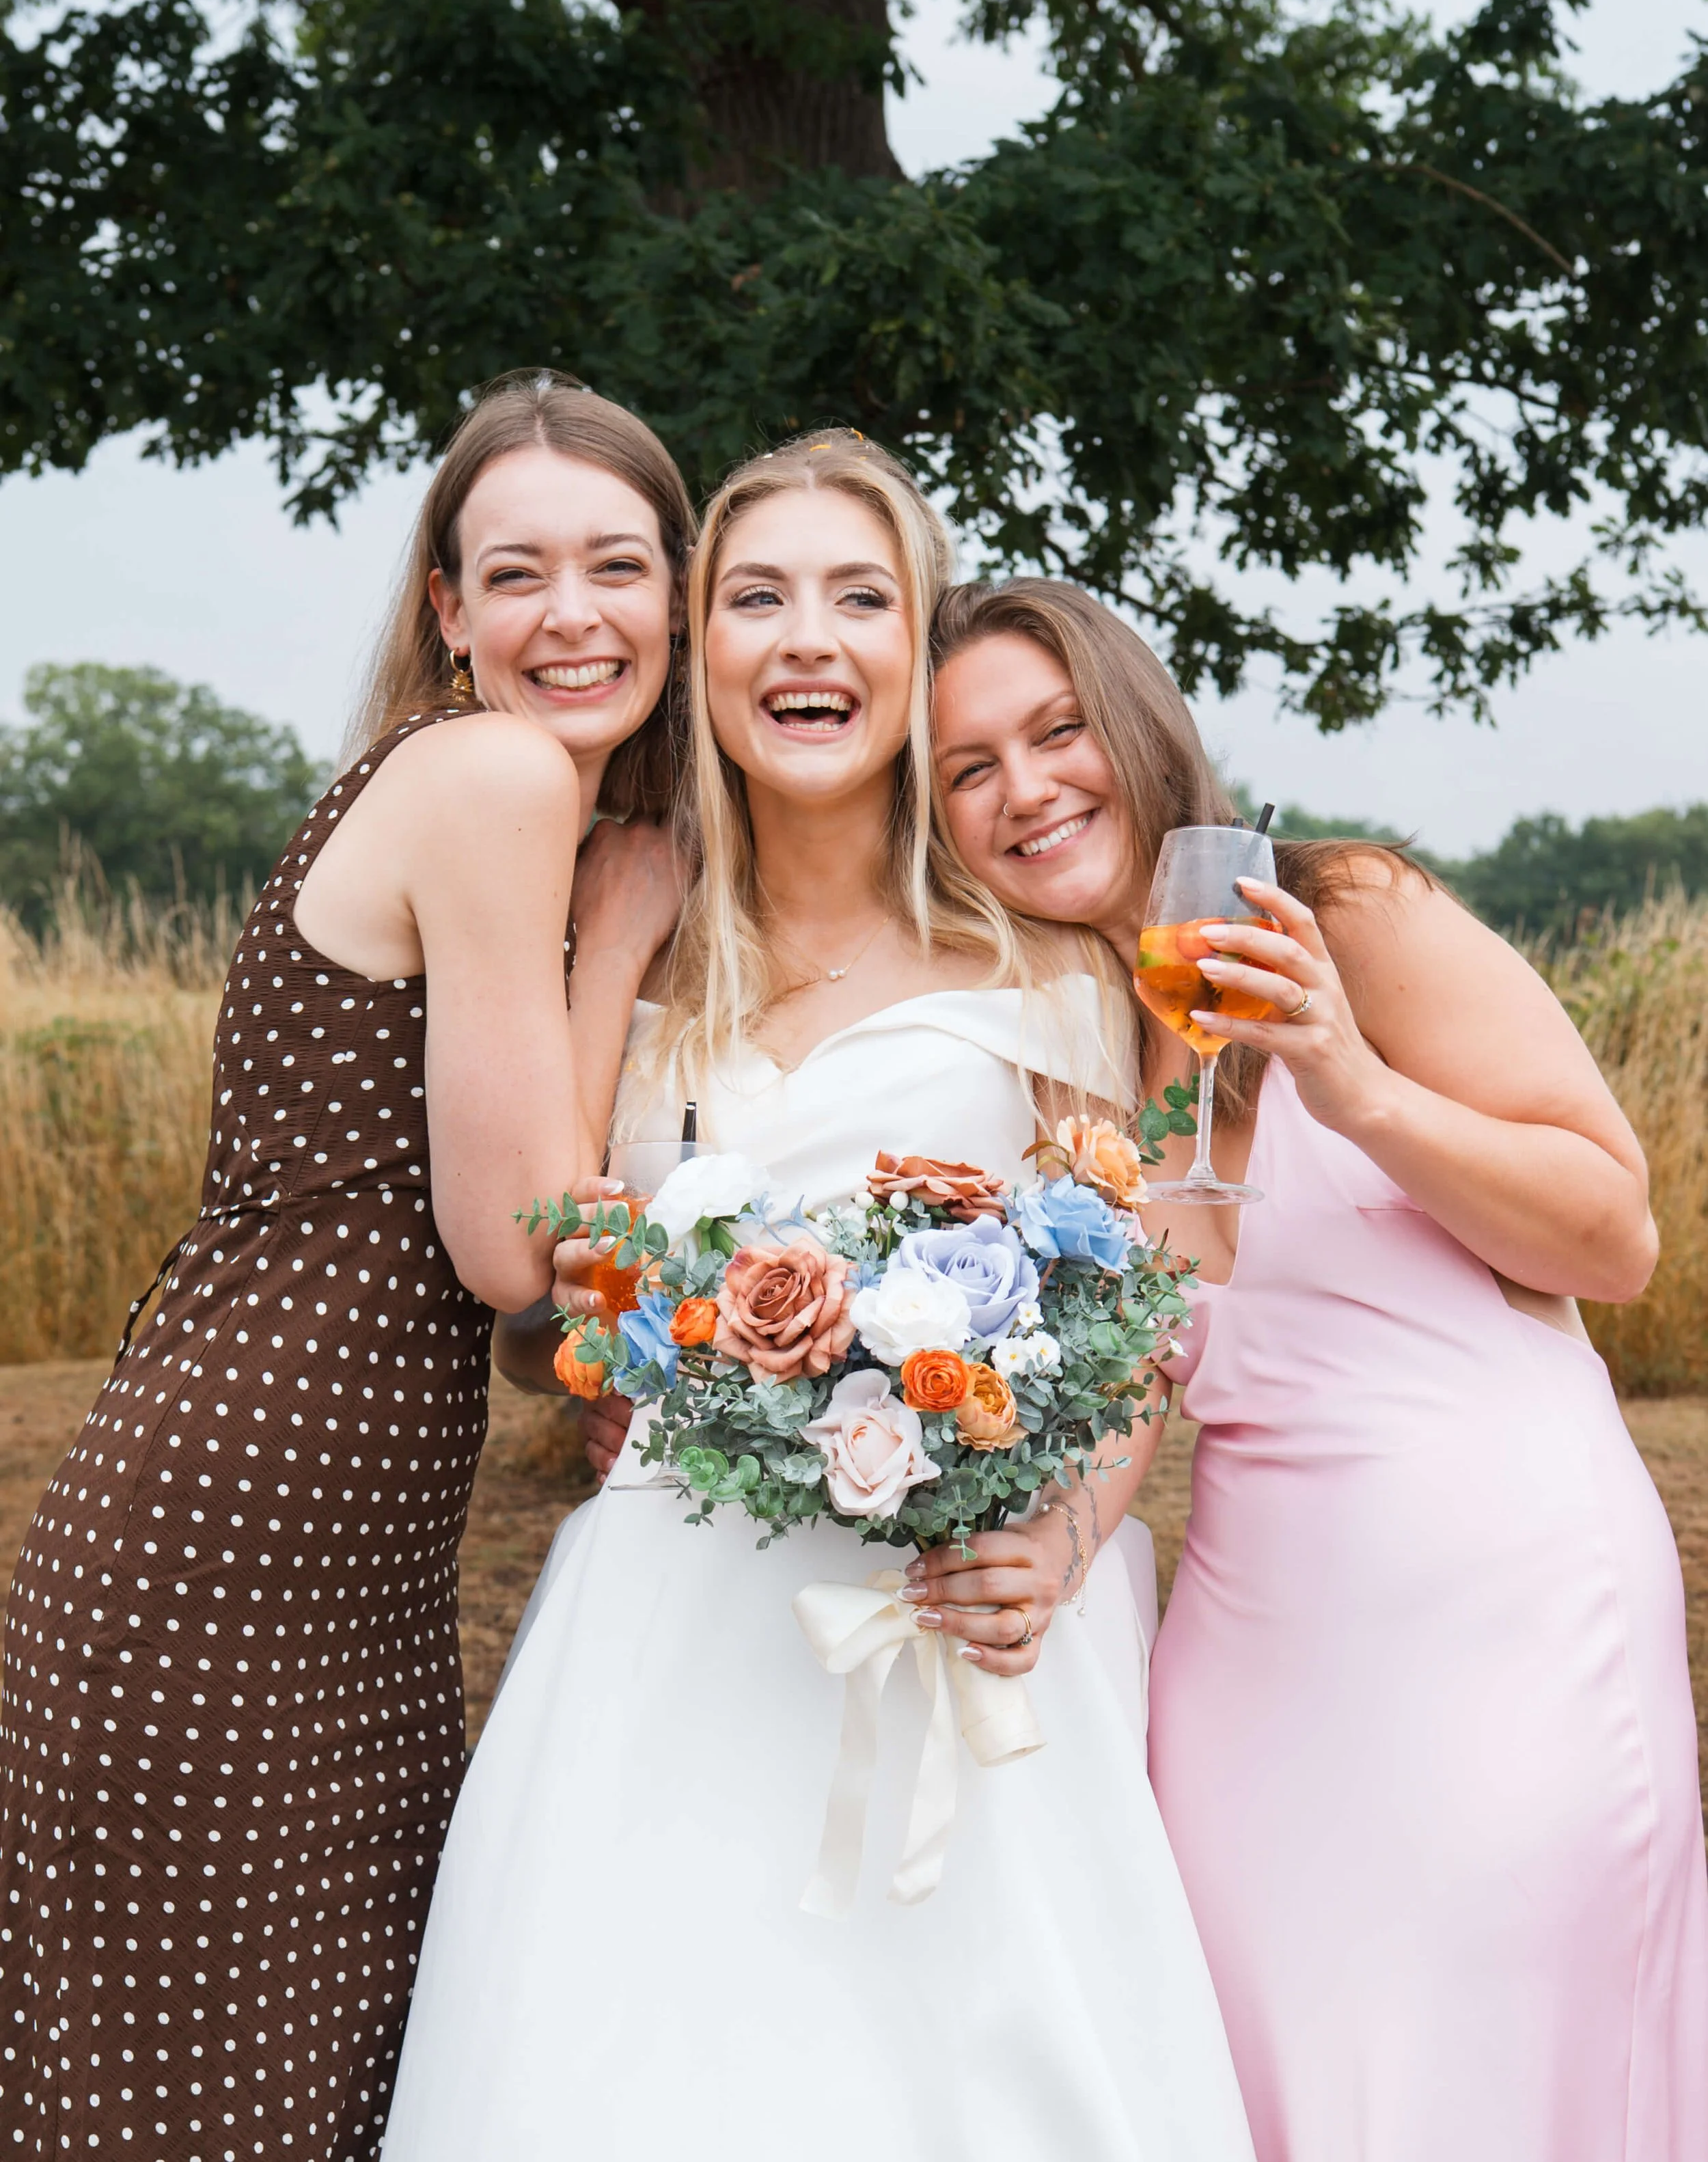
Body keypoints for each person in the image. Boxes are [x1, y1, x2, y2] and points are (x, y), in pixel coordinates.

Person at [381, 435, 1256, 2162]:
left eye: (859, 598)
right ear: (698, 647)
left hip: (954, 1624)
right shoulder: (626, 934)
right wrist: (616, 949)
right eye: (755, 597)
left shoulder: (1045, 964)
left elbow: (1144, 1310)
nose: (805, 639)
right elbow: (551, 1291)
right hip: (667, 1621)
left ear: (914, 647)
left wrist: (1064, 1539)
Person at [922, 575, 1708, 2161]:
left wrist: (1353, 1086)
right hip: (1247, 1671)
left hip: (1511, 1622)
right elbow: (1132, 1385)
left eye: (1056, 730)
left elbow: (1611, 1237)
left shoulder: (1346, 912)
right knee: (1273, 2076)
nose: (1025, 788)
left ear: (1134, 727)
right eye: (967, 768)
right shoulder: (1060, 1055)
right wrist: (1054, 1549)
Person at [0, 371, 691, 2159]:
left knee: (292, 2096)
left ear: (677, 598)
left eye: (617, 564)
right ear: (448, 612)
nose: (571, 613)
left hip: (342, 1579)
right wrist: (617, 947)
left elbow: (497, 1293)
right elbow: (512, 1242)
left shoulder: (477, 792)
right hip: (230, 1571)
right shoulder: (492, 776)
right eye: (516, 573)